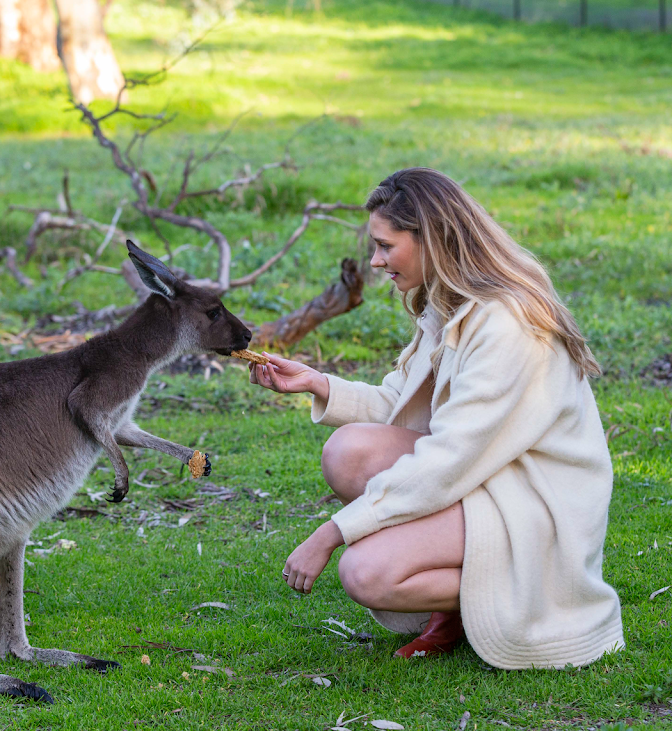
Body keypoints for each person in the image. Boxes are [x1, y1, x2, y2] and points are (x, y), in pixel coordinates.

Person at [249, 168, 624, 669]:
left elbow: (449, 458)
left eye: (385, 246)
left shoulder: (507, 322)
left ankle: (523, 594)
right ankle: (452, 607)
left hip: (534, 502)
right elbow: (406, 406)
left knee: (365, 572)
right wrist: (318, 383)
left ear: (431, 239)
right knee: (348, 451)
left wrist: (334, 532)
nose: (375, 261)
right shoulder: (452, 301)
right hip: (488, 475)